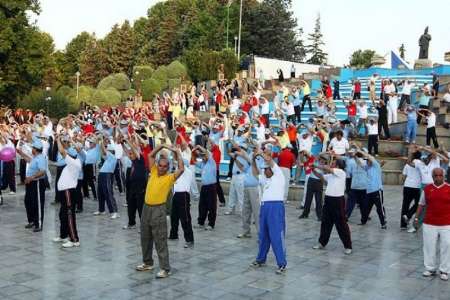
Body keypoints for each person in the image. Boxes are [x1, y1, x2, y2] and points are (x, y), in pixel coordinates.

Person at [136, 144, 184, 279]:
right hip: (146, 209)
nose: (162, 168)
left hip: (158, 210)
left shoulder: (169, 178)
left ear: (168, 168)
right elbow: (150, 155)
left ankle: (165, 268)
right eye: (160, 165)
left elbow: (181, 169)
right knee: (145, 238)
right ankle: (147, 262)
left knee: (160, 239)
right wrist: (162, 146)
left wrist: (177, 152)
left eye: (164, 166)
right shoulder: (154, 171)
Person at [250, 151, 287, 274]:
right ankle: (261, 259)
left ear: (271, 169)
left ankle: (282, 263)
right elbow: (255, 173)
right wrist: (253, 160)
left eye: (266, 169)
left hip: (275, 208)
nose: (264, 171)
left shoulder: (279, 175)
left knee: (276, 236)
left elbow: (270, 161)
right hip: (265, 208)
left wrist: (260, 153)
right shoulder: (265, 179)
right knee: (263, 236)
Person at [413, 168, 450, 281]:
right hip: (429, 223)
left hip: (446, 223)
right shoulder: (427, 189)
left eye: (440, 175)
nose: (438, 177)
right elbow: (421, 204)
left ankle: (444, 270)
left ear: (444, 176)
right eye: (436, 175)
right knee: (429, 246)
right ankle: (430, 268)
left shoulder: (449, 188)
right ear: (432, 176)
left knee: (447, 246)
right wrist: (416, 218)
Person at [311, 157, 352, 255]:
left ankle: (348, 246)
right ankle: (322, 242)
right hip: (328, 200)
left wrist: (316, 165)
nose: (331, 164)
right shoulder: (331, 175)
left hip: (338, 201)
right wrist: (313, 170)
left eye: (333, 163)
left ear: (337, 165)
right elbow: (321, 177)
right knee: (325, 222)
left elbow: (327, 169)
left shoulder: (341, 172)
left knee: (341, 224)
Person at [53, 137, 82, 248]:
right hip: (65, 192)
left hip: (69, 192)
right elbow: (65, 150)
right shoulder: (72, 161)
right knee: (62, 214)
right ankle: (63, 235)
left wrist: (58, 140)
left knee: (69, 215)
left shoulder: (74, 162)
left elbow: (62, 151)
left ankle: (74, 239)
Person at [16, 138, 48, 232]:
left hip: (36, 183)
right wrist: (21, 153)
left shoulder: (41, 158)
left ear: (36, 149)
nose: (32, 149)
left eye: (33, 148)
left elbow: (42, 171)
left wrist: (31, 177)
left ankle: (38, 224)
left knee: (37, 203)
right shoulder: (35, 157)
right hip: (30, 183)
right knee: (28, 201)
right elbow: (29, 160)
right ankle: (32, 221)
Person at [122, 135, 147, 230]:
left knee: (141, 207)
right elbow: (127, 151)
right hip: (133, 187)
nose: (130, 155)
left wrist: (127, 140)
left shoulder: (140, 160)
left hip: (140, 187)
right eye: (130, 154)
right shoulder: (133, 162)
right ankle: (131, 223)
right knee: (131, 206)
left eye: (132, 154)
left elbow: (132, 148)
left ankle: (143, 226)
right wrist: (122, 144)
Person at [169, 158, 194, 248]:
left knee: (185, 218)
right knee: (174, 216)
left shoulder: (187, 171)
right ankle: (174, 235)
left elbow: (181, 165)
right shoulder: (177, 171)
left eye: (179, 162)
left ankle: (189, 239)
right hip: (176, 195)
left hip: (183, 195)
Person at [358, 151, 387, 229]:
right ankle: (363, 221)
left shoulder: (376, 166)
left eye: (368, 160)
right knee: (366, 207)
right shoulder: (367, 168)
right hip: (369, 191)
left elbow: (370, 158)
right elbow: (359, 163)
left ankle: (383, 223)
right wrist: (355, 157)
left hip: (377, 190)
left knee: (379, 208)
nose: (367, 162)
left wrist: (359, 150)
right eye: (366, 161)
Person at [238, 146, 261, 238]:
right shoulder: (251, 156)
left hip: (255, 188)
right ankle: (246, 231)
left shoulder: (260, 159)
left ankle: (261, 234)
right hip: (246, 187)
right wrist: (235, 159)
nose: (253, 150)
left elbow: (257, 170)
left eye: (255, 148)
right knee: (245, 211)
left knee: (256, 212)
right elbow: (243, 168)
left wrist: (245, 156)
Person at [194, 144, 217, 230]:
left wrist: (199, 146)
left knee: (211, 206)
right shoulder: (202, 164)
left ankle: (211, 224)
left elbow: (207, 153)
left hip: (211, 187)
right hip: (204, 187)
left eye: (204, 156)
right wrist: (193, 152)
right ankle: (201, 222)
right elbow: (194, 161)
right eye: (202, 156)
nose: (203, 157)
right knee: (202, 205)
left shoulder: (211, 162)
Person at [94, 140, 119, 218]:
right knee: (100, 193)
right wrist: (99, 143)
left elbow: (104, 151)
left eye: (108, 149)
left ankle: (114, 211)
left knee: (108, 193)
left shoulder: (112, 157)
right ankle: (101, 210)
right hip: (102, 175)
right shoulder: (109, 158)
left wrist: (101, 141)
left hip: (107, 175)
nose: (107, 150)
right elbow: (102, 153)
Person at [225, 142, 248, 215]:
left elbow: (241, 166)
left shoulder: (245, 157)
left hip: (241, 176)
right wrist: (226, 145)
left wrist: (235, 159)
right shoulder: (236, 155)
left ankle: (242, 211)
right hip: (234, 176)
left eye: (241, 148)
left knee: (240, 195)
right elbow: (229, 153)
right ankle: (231, 209)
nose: (239, 149)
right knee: (232, 194)